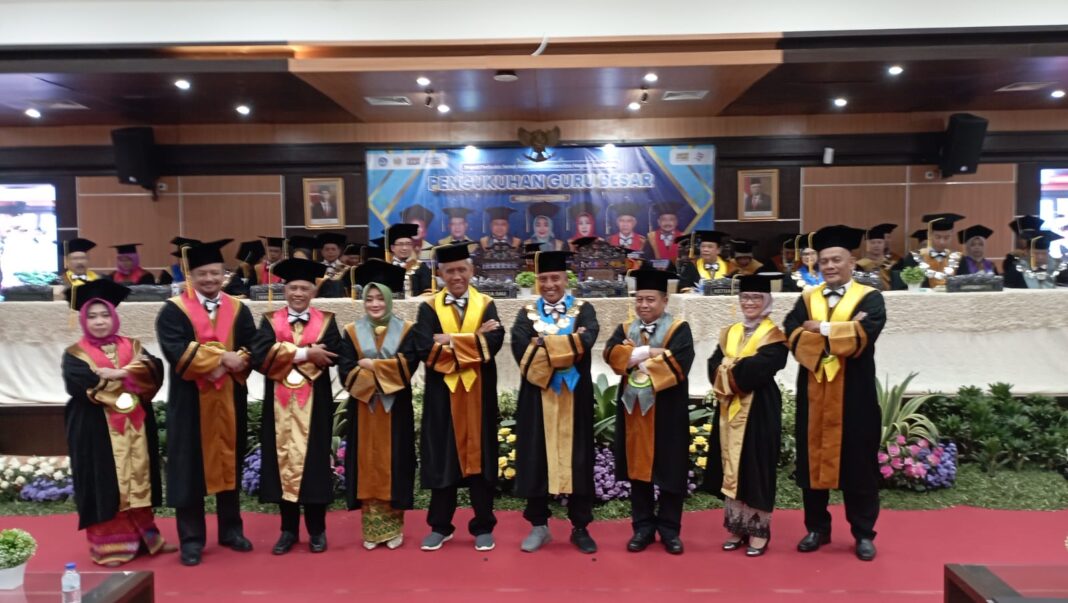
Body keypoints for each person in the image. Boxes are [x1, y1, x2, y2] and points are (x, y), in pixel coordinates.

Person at [783, 225, 886, 562]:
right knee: (812, 460)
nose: (829, 266)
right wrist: (841, 332)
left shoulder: (870, 297)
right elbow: (792, 334)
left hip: (854, 394)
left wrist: (822, 328)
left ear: (851, 262)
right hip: (814, 391)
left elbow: (865, 334)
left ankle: (863, 533)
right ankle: (817, 528)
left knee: (859, 463)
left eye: (836, 260)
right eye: (824, 260)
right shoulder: (807, 298)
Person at [155, 239, 257, 566]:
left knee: (229, 461)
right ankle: (192, 539)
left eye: (215, 273)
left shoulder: (238, 309)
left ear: (224, 274)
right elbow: (175, 350)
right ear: (191, 276)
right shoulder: (173, 310)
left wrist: (238, 359)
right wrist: (222, 359)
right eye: (203, 274)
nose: (210, 279)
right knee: (189, 468)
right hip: (190, 402)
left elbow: (253, 345)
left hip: (229, 399)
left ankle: (231, 530)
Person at [62, 279, 174, 566]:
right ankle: (111, 546)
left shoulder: (132, 345)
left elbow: (154, 369)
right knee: (107, 483)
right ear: (84, 320)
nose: (100, 321)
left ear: (114, 317)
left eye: (105, 315)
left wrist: (120, 373)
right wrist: (126, 381)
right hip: (96, 428)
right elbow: (81, 384)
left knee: (139, 477)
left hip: (135, 427)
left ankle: (146, 539)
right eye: (92, 316)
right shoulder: (75, 353)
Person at [411, 242, 505, 552]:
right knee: (444, 457)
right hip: (443, 397)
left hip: (478, 395)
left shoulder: (486, 304)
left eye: (461, 270)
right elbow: (425, 348)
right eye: (449, 271)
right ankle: (440, 526)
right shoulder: (428, 307)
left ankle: (483, 525)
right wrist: (473, 340)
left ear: (471, 270)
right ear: (440, 274)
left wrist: (449, 340)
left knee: (481, 459)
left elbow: (493, 343)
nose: (456, 276)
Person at [510, 251, 600, 554]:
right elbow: (520, 348)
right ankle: (539, 526)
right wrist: (571, 341)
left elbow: (588, 339)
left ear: (566, 279)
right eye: (544, 278)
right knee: (536, 456)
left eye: (555, 278)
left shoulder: (584, 309)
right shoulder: (526, 313)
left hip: (575, 397)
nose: (549, 284)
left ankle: (580, 527)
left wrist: (541, 343)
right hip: (537, 396)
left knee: (579, 457)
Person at [250, 258, 341, 555]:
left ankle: (317, 530)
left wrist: (289, 355)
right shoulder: (269, 320)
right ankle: (287, 530)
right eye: (293, 288)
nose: (298, 293)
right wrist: (305, 353)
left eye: (304, 288)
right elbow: (259, 355)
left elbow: (333, 352)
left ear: (313, 291)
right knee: (281, 463)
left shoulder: (326, 320)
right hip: (279, 406)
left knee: (314, 464)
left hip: (315, 405)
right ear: (285, 290)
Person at [603, 269, 694, 554]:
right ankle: (642, 527)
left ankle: (669, 529)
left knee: (671, 467)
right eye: (639, 299)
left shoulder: (679, 329)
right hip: (634, 412)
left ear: (665, 300)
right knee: (638, 470)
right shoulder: (625, 327)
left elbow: (680, 364)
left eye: (650, 299)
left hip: (668, 409)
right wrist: (651, 353)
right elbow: (611, 356)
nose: (643, 305)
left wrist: (634, 356)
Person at [337, 260, 420, 550]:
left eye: (379, 298)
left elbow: (408, 367)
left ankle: (394, 529)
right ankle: (372, 531)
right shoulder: (351, 331)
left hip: (395, 410)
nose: (375, 304)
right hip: (363, 410)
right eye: (369, 298)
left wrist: (371, 365)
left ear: (389, 298)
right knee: (367, 463)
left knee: (394, 462)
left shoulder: (407, 330)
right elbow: (345, 370)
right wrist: (383, 369)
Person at [704, 274, 788, 557]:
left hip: (760, 408)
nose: (749, 302)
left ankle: (759, 532)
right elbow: (712, 363)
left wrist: (728, 367)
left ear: (767, 301)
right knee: (732, 464)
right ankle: (737, 527)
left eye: (755, 298)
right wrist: (732, 367)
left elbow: (760, 369)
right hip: (730, 408)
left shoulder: (775, 336)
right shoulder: (730, 332)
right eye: (745, 297)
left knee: (756, 465)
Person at [897, 213, 965, 288]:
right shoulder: (914, 258)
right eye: (938, 237)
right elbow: (908, 286)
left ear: (952, 236)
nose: (942, 242)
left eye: (947, 237)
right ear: (929, 235)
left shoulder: (959, 259)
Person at [1003, 230, 1068, 289]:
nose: (1040, 257)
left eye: (1044, 253)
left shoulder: (1059, 269)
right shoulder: (1016, 270)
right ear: (1027, 252)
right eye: (1036, 253)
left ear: (1048, 252)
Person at [387, 223, 433, 296]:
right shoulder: (385, 268)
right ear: (392, 248)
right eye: (400, 244)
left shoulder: (421, 267)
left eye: (408, 244)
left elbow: (428, 293)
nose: (404, 248)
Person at [855, 224, 900, 289]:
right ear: (867, 245)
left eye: (879, 242)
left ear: (884, 244)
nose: (876, 245)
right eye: (872, 243)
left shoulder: (895, 262)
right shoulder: (859, 265)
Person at [1004, 216, 1044, 286]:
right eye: (1025, 237)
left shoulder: (1042, 255)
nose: (1029, 239)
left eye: (1032, 236)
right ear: (1018, 239)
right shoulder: (1011, 257)